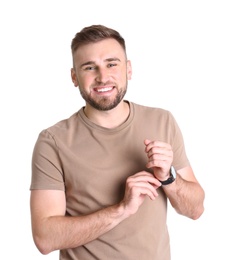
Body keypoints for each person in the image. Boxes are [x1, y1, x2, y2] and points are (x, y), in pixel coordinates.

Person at [30, 24, 205, 260]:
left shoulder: (162, 121)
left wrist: (168, 178)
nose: (103, 77)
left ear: (129, 69)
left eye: (112, 64)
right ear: (74, 77)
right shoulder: (53, 141)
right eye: (90, 67)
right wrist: (122, 209)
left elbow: (195, 210)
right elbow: (44, 238)